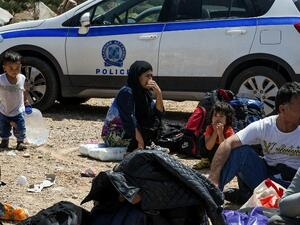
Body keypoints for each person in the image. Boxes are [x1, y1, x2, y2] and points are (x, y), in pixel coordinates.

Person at [209, 82, 300, 204]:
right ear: (282, 109)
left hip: (294, 185)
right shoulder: (264, 126)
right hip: (265, 179)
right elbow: (227, 144)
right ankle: (211, 196)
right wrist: (213, 180)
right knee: (241, 152)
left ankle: (249, 196)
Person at [101, 60, 164, 151]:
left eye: (151, 76)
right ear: (137, 76)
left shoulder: (144, 93)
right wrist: (141, 143)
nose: (150, 79)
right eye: (147, 76)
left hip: (132, 132)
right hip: (116, 135)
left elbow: (159, 113)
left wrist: (159, 94)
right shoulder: (127, 92)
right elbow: (129, 120)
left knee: (158, 124)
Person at [0, 51, 29, 151]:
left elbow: (24, 91)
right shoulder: (1, 79)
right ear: (4, 68)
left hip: (18, 110)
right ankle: (4, 141)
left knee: (20, 128)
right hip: (4, 110)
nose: (14, 71)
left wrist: (26, 102)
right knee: (3, 128)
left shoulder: (22, 78)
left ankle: (20, 142)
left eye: (17, 68)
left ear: (20, 66)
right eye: (11, 68)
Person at [193, 101, 235, 170]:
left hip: (223, 154)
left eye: (221, 116)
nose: (217, 118)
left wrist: (220, 133)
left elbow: (225, 148)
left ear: (227, 119)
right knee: (202, 138)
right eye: (215, 115)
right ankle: (206, 161)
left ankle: (221, 164)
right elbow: (208, 147)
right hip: (212, 151)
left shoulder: (229, 130)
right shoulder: (210, 128)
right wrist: (215, 132)